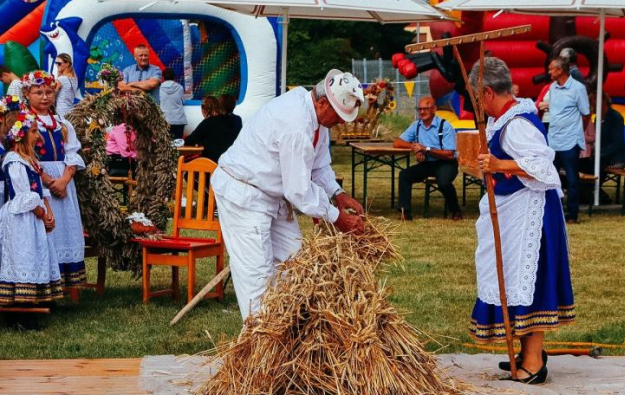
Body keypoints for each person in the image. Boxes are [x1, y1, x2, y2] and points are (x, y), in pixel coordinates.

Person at [211, 69, 366, 320]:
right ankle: (260, 344)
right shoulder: (295, 123)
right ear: (323, 101)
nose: (339, 124)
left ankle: (288, 333)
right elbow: (299, 191)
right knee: (257, 275)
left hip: (270, 194)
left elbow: (318, 165)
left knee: (297, 264)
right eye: (338, 117)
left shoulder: (316, 114)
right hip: (245, 195)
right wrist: (338, 218)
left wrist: (338, 193)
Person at [468, 57, 574, 384]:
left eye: (476, 96)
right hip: (519, 212)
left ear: (487, 92)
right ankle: (528, 354)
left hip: (534, 215)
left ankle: (532, 361)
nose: (477, 103)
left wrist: (499, 165)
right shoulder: (506, 119)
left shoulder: (516, 123)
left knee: (533, 282)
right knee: (518, 283)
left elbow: (543, 165)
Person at [23, 71, 86, 286]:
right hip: (39, 181)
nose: (44, 96)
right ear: (27, 94)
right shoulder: (25, 123)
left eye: (49, 92)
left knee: (64, 229)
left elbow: (72, 153)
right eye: (38, 92)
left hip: (64, 183)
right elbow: (25, 155)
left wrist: (65, 179)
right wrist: (49, 181)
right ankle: (46, 282)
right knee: (46, 228)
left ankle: (67, 280)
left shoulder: (62, 123)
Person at [0, 109, 61, 305]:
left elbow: (39, 190)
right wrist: (42, 214)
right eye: (34, 131)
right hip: (21, 219)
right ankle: (20, 305)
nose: (38, 136)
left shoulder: (30, 160)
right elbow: (23, 197)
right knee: (22, 255)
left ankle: (37, 298)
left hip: (33, 217)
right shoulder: (14, 161)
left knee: (36, 254)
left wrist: (48, 211)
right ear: (21, 135)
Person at [394, 95, 462, 221]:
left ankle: (455, 210)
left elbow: (449, 154)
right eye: (419, 109)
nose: (422, 112)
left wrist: (425, 149)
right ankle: (405, 212)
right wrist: (415, 148)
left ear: (434, 109)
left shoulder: (445, 126)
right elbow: (397, 142)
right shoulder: (417, 125)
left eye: (425, 109)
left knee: (443, 183)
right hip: (427, 163)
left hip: (446, 163)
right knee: (404, 175)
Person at [547, 57, 590, 223]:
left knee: (572, 179)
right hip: (553, 140)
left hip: (570, 141)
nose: (549, 72)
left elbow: (586, 114)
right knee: (551, 179)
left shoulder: (578, 88)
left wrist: (578, 131)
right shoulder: (553, 88)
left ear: (560, 70)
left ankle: (572, 214)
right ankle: (554, 211)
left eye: (552, 69)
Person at [184, 96, 240, 163]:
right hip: (232, 161)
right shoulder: (237, 120)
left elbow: (190, 141)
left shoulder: (209, 122)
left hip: (212, 163)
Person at [159, 68, 187, 139]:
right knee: (177, 145)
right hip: (179, 120)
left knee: (165, 145)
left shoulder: (159, 88)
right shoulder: (180, 87)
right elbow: (183, 101)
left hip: (164, 120)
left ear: (162, 78)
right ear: (174, 78)